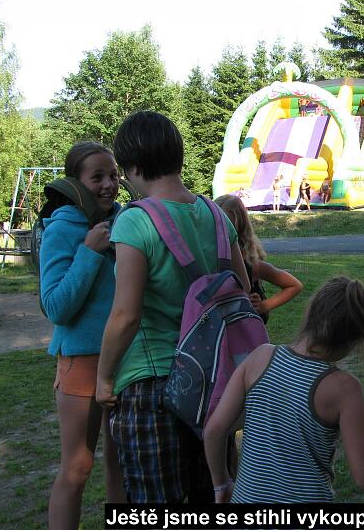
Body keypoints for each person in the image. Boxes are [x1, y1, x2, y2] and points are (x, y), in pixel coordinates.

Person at [96, 111, 250, 504]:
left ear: (133, 167)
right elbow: (243, 289)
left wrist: (104, 378)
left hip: (151, 384)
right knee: (211, 496)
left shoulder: (135, 221)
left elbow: (126, 315)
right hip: (214, 381)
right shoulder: (216, 214)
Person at [204, 276, 364, 504]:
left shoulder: (260, 357)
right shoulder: (345, 389)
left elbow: (214, 430)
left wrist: (221, 484)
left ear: (310, 313)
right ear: (354, 339)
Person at [42, 142, 125, 528]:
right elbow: (55, 307)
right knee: (77, 468)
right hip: (82, 360)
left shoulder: (126, 222)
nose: (109, 184)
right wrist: (89, 252)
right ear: (76, 182)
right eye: (97, 177)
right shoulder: (61, 228)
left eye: (114, 175)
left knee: (122, 464)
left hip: (126, 357)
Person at [215, 194, 303, 323]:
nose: (218, 232)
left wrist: (263, 306)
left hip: (244, 329)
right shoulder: (208, 257)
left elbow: (294, 285)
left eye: (225, 227)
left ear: (237, 228)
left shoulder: (249, 264)